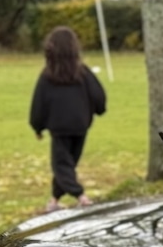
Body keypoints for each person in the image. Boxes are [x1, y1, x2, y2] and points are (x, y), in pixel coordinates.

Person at [29, 26, 107, 212]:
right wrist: (99, 110)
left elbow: (39, 104)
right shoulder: (84, 73)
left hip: (59, 128)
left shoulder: (47, 76)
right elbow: (98, 95)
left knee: (62, 165)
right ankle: (54, 200)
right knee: (67, 164)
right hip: (80, 125)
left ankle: (81, 196)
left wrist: (37, 126)